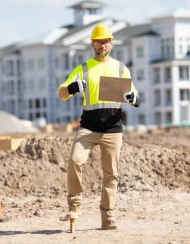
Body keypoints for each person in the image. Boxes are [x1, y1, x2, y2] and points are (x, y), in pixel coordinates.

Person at [58, 24, 140, 230]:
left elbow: (135, 96)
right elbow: (61, 92)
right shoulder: (83, 69)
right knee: (75, 160)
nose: (102, 45)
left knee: (111, 173)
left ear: (111, 43)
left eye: (106, 41)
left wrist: (133, 99)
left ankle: (108, 217)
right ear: (92, 43)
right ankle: (74, 206)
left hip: (113, 126)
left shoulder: (121, 68)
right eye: (98, 41)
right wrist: (71, 88)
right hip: (89, 127)